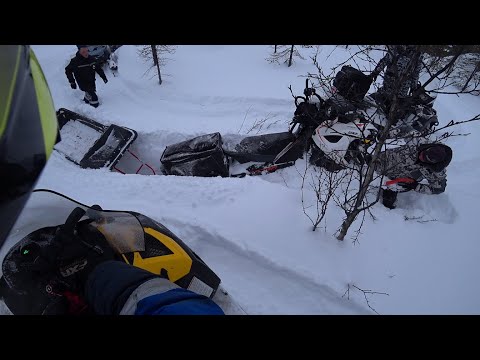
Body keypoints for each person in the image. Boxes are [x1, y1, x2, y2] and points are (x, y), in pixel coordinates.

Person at [0, 45, 224, 315]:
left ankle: (92, 98)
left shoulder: (90, 61)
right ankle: (90, 100)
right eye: (83, 50)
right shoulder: (75, 63)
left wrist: (92, 274)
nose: (85, 53)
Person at [375, 142, 453, 209]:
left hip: (396, 183)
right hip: (379, 161)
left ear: (431, 163)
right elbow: (404, 130)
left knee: (386, 205)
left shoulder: (435, 172)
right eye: (422, 153)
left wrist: (416, 186)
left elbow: (439, 189)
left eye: (424, 158)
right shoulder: (421, 142)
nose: (420, 156)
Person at [370, 45, 424, 115]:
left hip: (400, 89)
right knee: (382, 106)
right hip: (389, 86)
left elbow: (415, 72)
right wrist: (375, 72)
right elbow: (385, 60)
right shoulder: (397, 48)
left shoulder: (417, 54)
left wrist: (414, 87)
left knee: (391, 110)